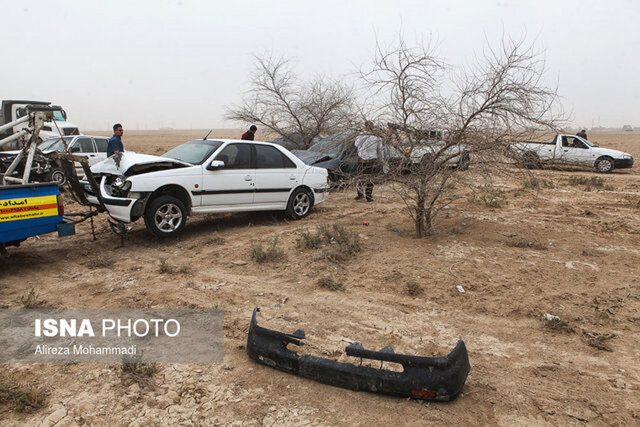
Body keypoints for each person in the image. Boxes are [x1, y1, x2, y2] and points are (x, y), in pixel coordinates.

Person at [354, 121, 385, 202]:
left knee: (360, 177)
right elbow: (380, 150)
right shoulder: (377, 138)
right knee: (370, 178)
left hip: (362, 160)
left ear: (365, 126)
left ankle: (360, 194)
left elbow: (355, 145)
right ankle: (368, 196)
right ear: (373, 127)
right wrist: (381, 160)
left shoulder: (360, 136)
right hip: (372, 160)